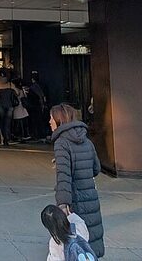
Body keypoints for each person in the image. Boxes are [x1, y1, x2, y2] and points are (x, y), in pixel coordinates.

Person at [50, 103, 104, 258]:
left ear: (59, 120)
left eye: (51, 118)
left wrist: (62, 204)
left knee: (74, 242)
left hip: (75, 199)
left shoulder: (62, 142)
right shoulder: (86, 141)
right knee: (90, 238)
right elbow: (96, 168)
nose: (49, 122)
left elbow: (64, 177)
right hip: (91, 197)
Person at [0, 72, 19, 146]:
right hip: (10, 105)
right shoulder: (10, 84)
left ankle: (2, 137)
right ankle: (7, 139)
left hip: (1, 105)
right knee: (8, 122)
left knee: (1, 122)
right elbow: (17, 93)